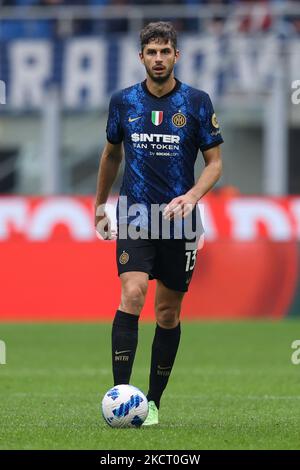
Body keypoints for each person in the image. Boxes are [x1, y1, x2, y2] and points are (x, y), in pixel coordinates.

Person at [94, 21, 223, 426]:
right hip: (134, 213)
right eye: (152, 52)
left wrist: (192, 196)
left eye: (165, 51)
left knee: (167, 313)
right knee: (131, 294)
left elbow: (215, 164)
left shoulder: (196, 102)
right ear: (141, 58)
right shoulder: (124, 102)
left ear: (176, 56)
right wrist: (100, 205)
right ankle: (120, 398)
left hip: (179, 220)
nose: (159, 59)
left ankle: (152, 402)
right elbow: (110, 156)